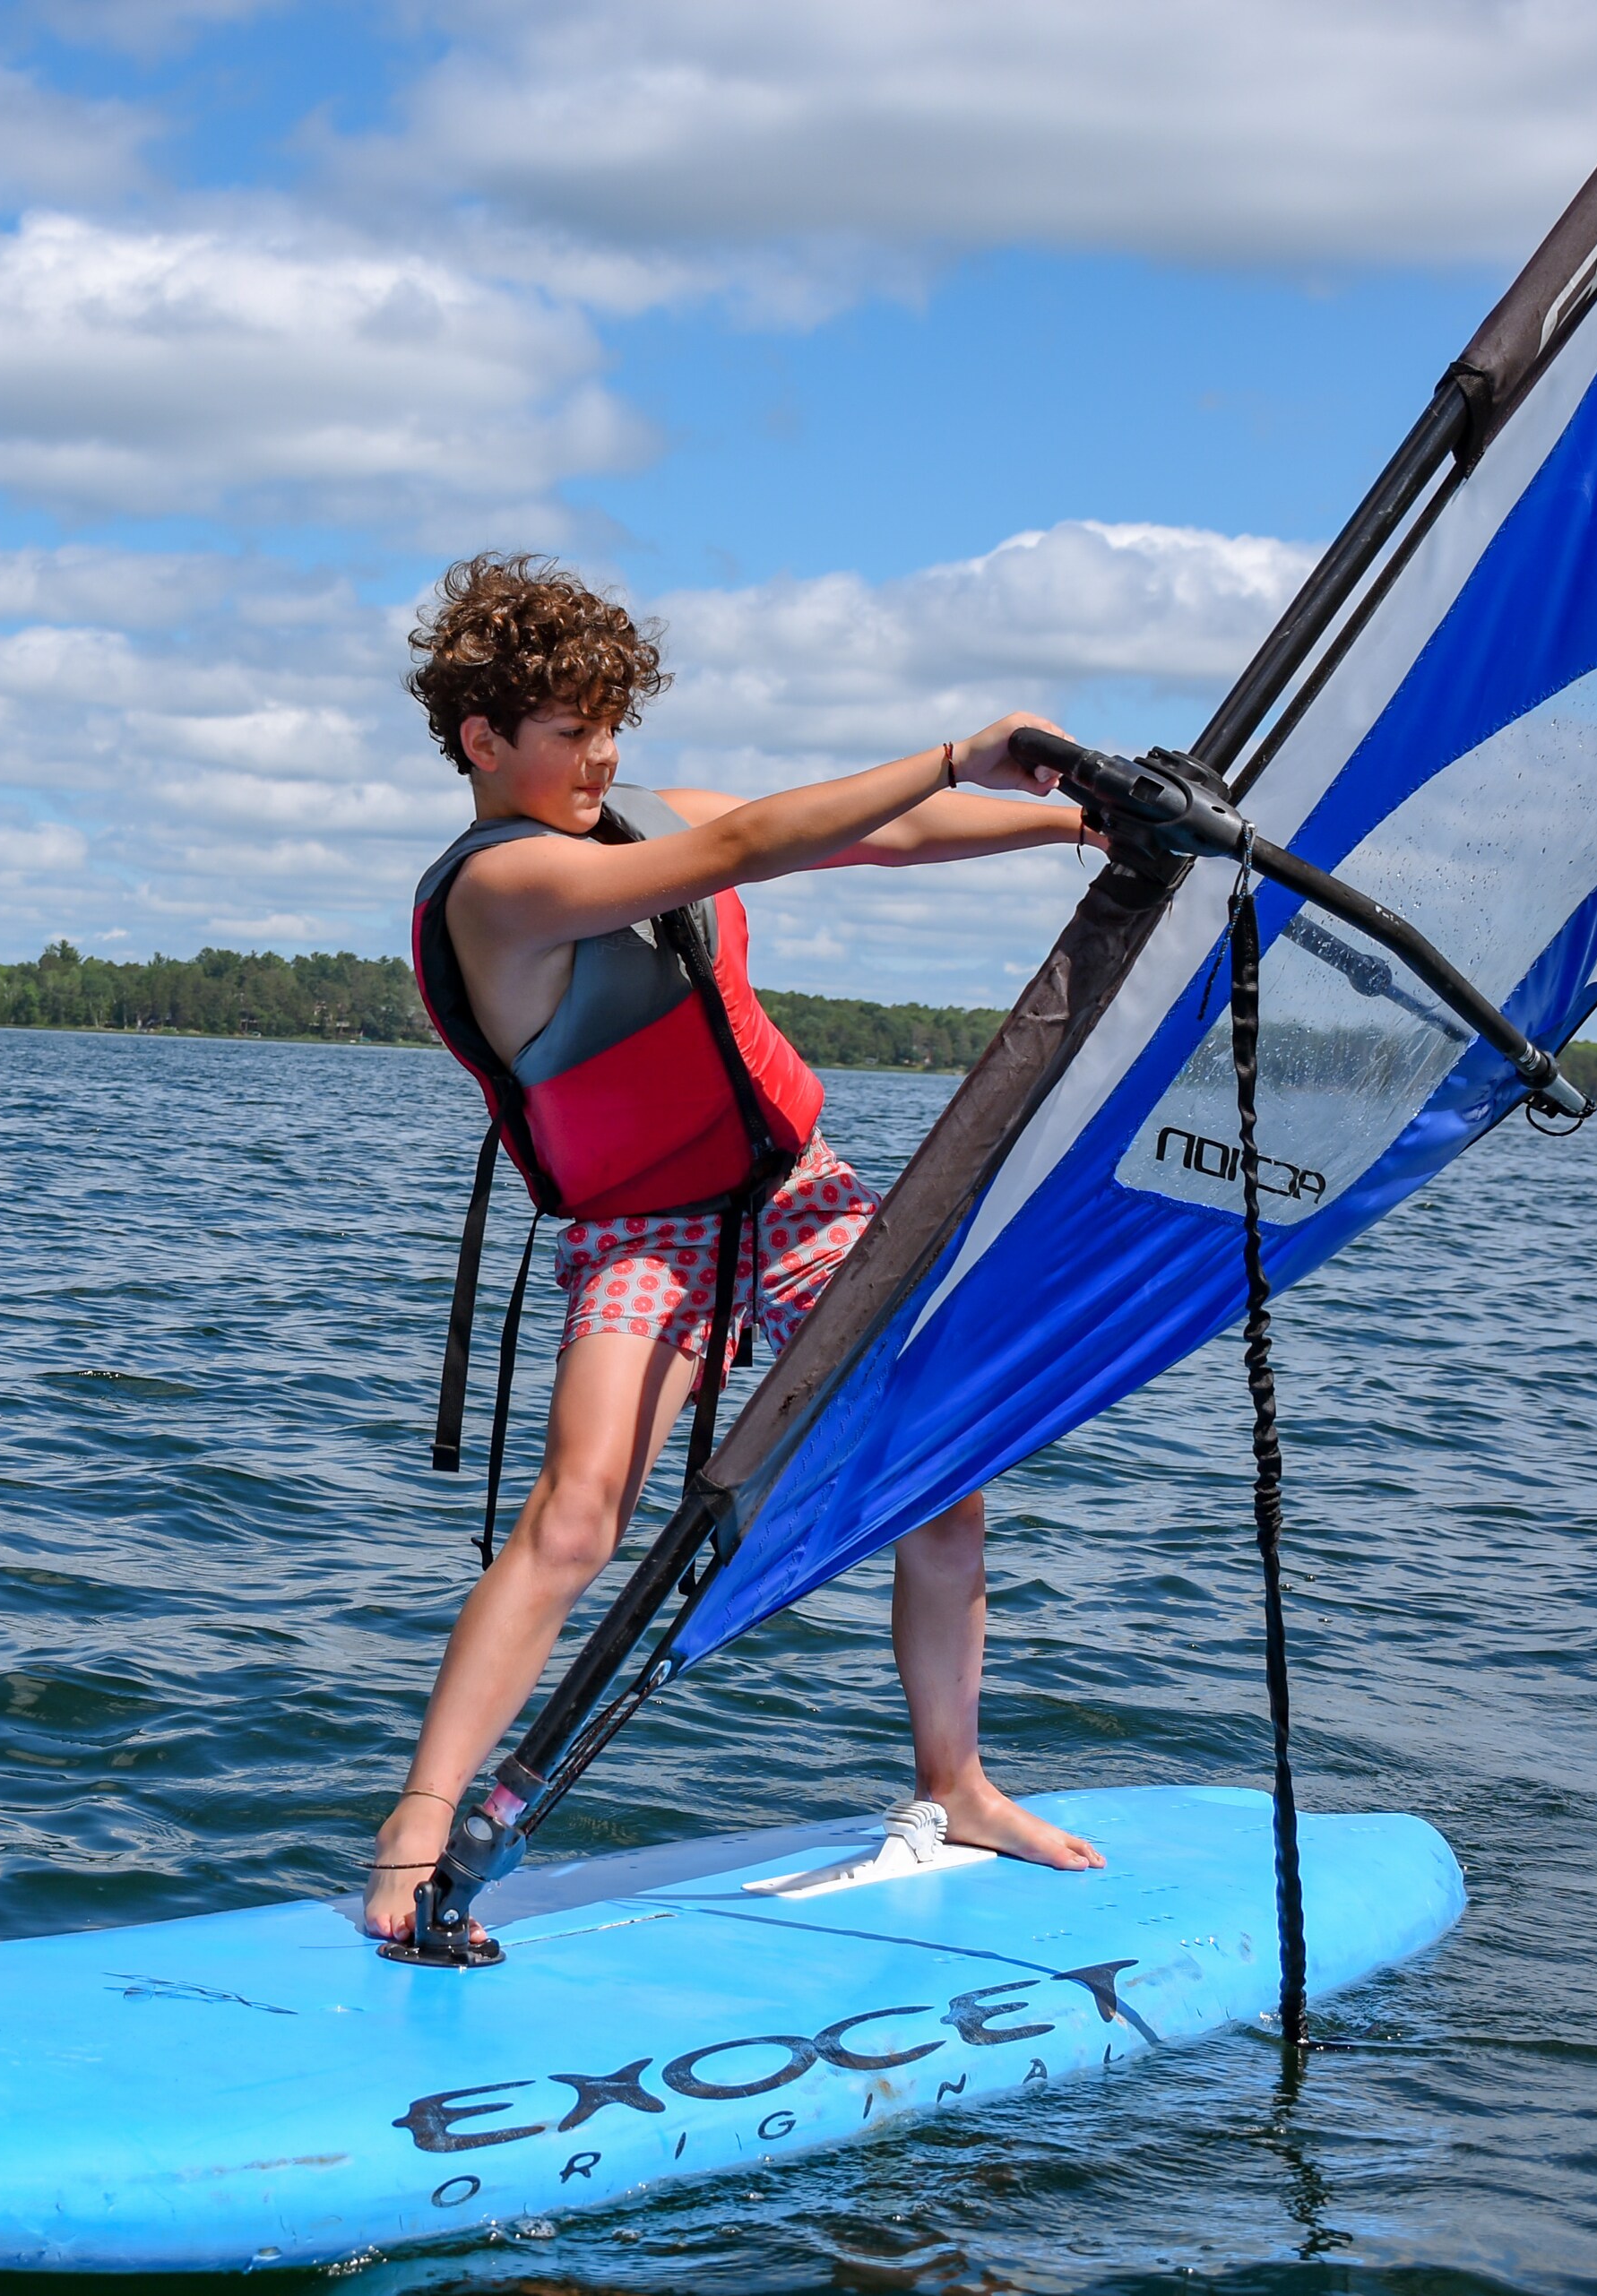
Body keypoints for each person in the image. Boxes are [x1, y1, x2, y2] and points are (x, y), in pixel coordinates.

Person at [370, 553, 1107, 1948]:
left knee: (944, 1481)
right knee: (579, 1515)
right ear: (482, 740)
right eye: (572, 729)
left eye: (612, 725)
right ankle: (416, 1828)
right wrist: (961, 749)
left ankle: (956, 1782)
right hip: (645, 1225)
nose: (604, 755)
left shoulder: (629, 816)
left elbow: (884, 835)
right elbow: (745, 846)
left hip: (788, 1189)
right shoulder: (500, 886)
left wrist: (1075, 825)